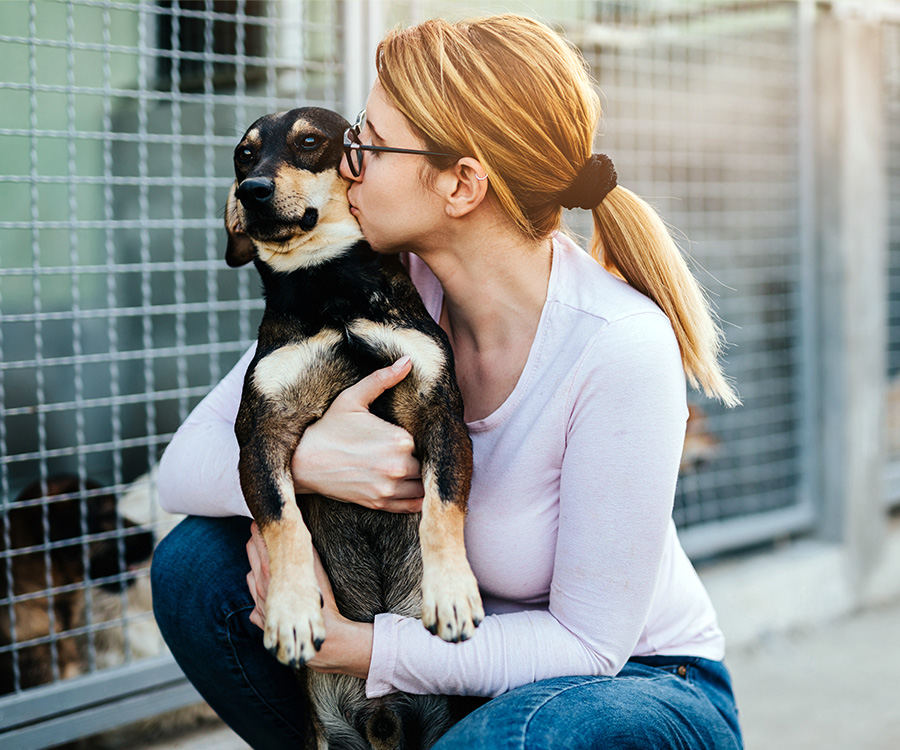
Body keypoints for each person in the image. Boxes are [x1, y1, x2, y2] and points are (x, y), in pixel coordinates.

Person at [151, 13, 743, 750]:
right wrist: (309, 462)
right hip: (442, 661)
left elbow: (590, 650)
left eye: (367, 144)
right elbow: (180, 471)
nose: (347, 167)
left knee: (522, 733)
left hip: (629, 687)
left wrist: (360, 649)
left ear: (461, 183)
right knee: (194, 567)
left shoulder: (617, 345)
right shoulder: (389, 288)